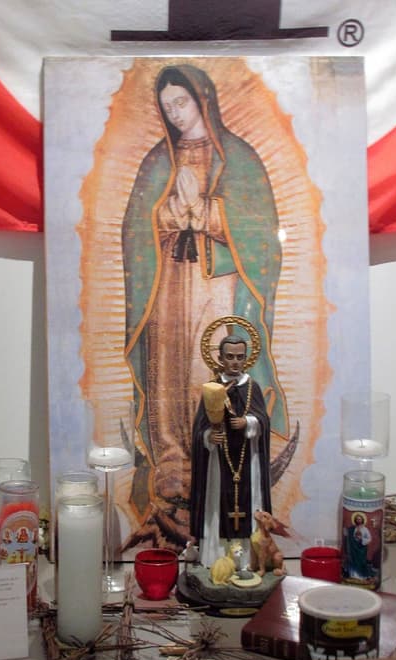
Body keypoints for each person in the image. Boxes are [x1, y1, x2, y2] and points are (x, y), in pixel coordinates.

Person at [121, 64, 287, 527]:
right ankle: (170, 472)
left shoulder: (237, 157)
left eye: (182, 102)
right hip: (170, 282)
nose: (175, 113)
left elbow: (262, 234)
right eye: (167, 105)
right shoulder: (158, 161)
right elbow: (135, 226)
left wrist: (210, 213)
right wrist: (167, 216)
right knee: (168, 371)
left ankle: (213, 469)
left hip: (217, 286)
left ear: (203, 100)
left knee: (203, 366)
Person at [189, 335, 272, 569]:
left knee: (248, 504)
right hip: (219, 461)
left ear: (246, 358)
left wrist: (249, 422)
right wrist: (208, 437)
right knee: (218, 505)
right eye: (230, 357)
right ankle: (216, 558)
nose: (235, 362)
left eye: (239, 357)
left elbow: (264, 421)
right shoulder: (213, 388)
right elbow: (200, 429)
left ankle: (247, 561)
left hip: (248, 459)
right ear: (220, 358)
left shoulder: (252, 387)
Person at [344, 513, 374, 580]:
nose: (358, 520)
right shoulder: (352, 528)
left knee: (361, 561)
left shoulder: (365, 529)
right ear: (355, 520)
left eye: (359, 519)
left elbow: (369, 538)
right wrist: (346, 531)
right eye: (357, 519)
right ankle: (354, 575)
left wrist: (362, 539)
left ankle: (362, 576)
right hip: (353, 548)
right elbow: (348, 535)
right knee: (353, 561)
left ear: (362, 520)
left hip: (361, 549)